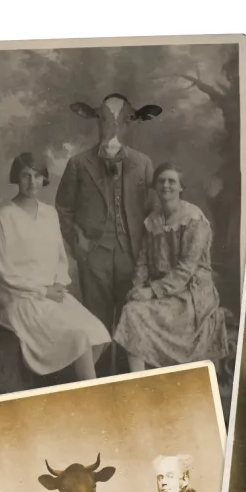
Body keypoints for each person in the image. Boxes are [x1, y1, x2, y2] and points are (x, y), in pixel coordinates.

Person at [0, 152, 110, 382]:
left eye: (37, 176)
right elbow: (2, 272)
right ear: (17, 177)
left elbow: (59, 258)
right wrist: (42, 291)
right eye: (26, 176)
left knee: (97, 332)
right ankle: (91, 396)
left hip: (52, 295)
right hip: (21, 299)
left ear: (44, 179)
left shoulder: (49, 214)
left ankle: (73, 389)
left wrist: (58, 283)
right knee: (79, 337)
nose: (32, 182)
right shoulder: (3, 217)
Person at [55, 95, 159, 339]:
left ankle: (126, 376)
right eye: (104, 119)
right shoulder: (78, 164)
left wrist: (147, 252)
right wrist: (78, 245)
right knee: (96, 324)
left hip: (132, 254)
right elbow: (63, 207)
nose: (112, 128)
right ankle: (99, 375)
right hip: (93, 254)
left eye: (122, 121)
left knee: (130, 323)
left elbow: (153, 209)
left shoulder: (143, 163)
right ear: (97, 121)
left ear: (129, 123)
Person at [113, 163, 231, 373]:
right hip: (164, 290)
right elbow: (143, 262)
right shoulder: (153, 220)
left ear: (181, 187)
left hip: (191, 292)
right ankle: (137, 382)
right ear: (155, 186)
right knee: (131, 308)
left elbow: (186, 268)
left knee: (134, 313)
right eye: (161, 181)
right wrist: (137, 288)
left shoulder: (194, 219)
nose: (166, 185)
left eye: (171, 181)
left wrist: (151, 291)